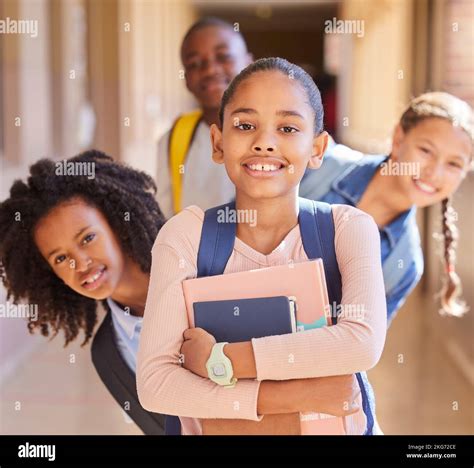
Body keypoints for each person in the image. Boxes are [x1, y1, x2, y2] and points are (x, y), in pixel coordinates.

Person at [137, 58, 387, 435]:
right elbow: (156, 385)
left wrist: (220, 361)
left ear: (318, 148)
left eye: (287, 127)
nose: (265, 142)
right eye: (245, 125)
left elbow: (361, 344)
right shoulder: (185, 237)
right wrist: (292, 395)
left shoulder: (347, 229)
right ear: (218, 143)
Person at [0, 151, 167, 434]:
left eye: (87, 238)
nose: (80, 264)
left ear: (116, 224)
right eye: (61, 259)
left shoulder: (206, 271)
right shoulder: (108, 354)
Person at [300, 92, 473, 324]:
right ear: (398, 139)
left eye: (453, 164)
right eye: (426, 151)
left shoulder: (404, 266)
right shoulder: (319, 164)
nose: (434, 172)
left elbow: (356, 348)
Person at [156, 17, 253, 219]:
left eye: (223, 57)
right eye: (194, 64)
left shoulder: (280, 132)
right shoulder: (174, 140)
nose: (209, 70)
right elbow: (165, 220)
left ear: (248, 64)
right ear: (186, 79)